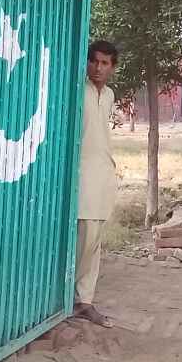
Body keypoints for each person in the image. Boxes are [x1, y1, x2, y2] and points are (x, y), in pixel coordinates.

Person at [74, 39, 119, 327]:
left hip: (104, 172)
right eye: (94, 61)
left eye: (105, 63)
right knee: (85, 235)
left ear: (112, 67)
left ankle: (85, 300)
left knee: (96, 239)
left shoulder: (110, 95)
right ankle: (73, 296)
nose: (98, 68)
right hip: (83, 172)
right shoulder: (78, 90)